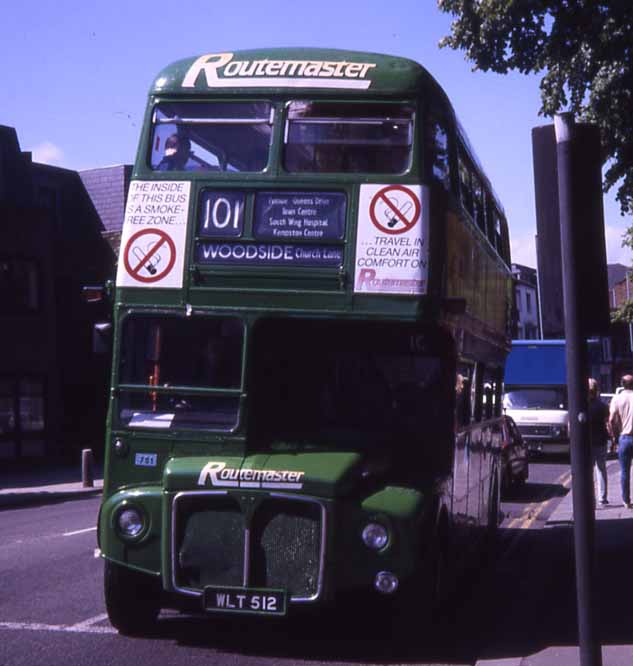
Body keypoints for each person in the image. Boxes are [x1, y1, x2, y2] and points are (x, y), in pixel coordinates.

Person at [608, 374, 633, 508]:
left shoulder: (617, 399)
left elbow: (611, 419)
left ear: (622, 384)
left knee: (625, 471)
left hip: (624, 438)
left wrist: (613, 437)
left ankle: (626, 501)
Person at [587, 378, 609, 505]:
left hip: (587, 443)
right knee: (601, 469)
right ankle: (602, 497)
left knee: (588, 471)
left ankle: (591, 498)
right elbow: (607, 424)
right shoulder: (603, 406)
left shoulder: (582, 406)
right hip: (601, 441)